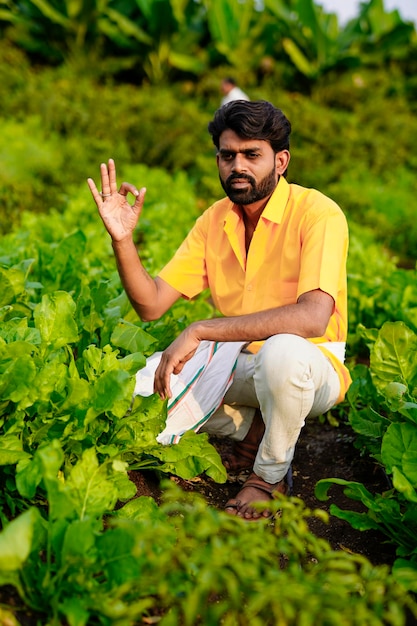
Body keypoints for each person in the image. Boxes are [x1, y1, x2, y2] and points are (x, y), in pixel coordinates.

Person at [87, 100, 351, 521]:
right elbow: (151, 304)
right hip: (237, 364)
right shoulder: (215, 219)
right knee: (143, 393)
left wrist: (201, 330)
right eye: (228, 155)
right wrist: (122, 239)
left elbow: (312, 317)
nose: (237, 166)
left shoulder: (318, 213)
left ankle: (268, 476)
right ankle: (257, 428)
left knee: (281, 355)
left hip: (308, 366)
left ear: (280, 161)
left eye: (252, 155)